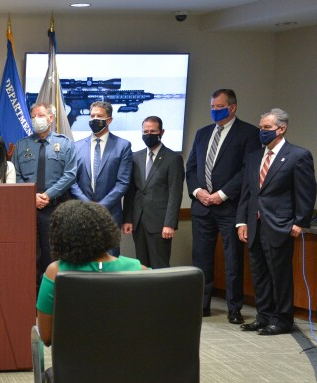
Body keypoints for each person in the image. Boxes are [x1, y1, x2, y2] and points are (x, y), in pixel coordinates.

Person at [36, 200, 146, 383]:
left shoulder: (56, 273)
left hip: (78, 377)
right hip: (140, 373)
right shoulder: (137, 269)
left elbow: (48, 337)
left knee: (100, 355)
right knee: (110, 352)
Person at [237, 109, 317, 335]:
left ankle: (282, 319)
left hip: (280, 225)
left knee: (279, 275)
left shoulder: (298, 155)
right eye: (261, 127)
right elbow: (248, 193)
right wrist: (241, 221)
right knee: (259, 274)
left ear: (281, 129)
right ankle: (263, 316)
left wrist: (300, 221)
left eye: (267, 128)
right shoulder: (254, 156)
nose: (262, 132)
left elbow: (306, 192)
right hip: (254, 225)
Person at [186, 89, 260, 323]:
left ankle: (234, 309)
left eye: (219, 107)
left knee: (232, 261)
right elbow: (192, 168)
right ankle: (202, 305)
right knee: (201, 259)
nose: (215, 110)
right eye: (213, 106)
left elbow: (247, 170)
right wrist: (199, 192)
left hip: (230, 208)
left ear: (233, 107)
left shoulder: (249, 133)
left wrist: (222, 194)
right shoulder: (202, 133)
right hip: (202, 207)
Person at [12, 102, 78, 284]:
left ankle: (53, 301)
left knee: (54, 257)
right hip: (28, 209)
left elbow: (70, 174)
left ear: (51, 118)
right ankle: (32, 303)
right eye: (33, 116)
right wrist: (31, 197)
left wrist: (47, 195)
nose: (36, 120)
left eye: (40, 116)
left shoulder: (64, 144)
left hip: (55, 209)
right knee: (29, 257)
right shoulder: (21, 145)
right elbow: (15, 175)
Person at [122, 116, 185, 269]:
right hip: (138, 221)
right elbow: (131, 191)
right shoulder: (135, 157)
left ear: (161, 132)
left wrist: (169, 224)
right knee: (141, 265)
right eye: (145, 131)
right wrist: (128, 219)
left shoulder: (173, 158)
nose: (148, 134)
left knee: (159, 265)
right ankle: (144, 294)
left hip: (160, 223)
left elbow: (175, 194)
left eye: (153, 131)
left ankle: (162, 294)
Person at [70, 101, 133, 238]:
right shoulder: (77, 147)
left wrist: (101, 206)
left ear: (109, 120)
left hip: (110, 214)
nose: (94, 119)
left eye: (99, 116)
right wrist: (88, 205)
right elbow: (72, 181)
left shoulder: (123, 146)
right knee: (84, 257)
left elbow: (122, 183)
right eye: (92, 116)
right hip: (82, 213)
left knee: (110, 257)